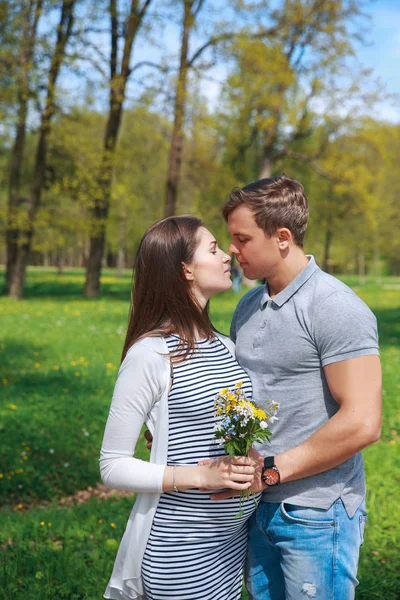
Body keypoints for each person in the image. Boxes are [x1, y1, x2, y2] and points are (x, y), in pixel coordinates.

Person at [208, 175, 382, 600]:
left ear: (282, 237)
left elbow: (363, 422)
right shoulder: (248, 305)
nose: (232, 249)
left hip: (315, 514)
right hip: (255, 509)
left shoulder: (334, 306)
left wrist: (270, 471)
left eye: (242, 238)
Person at [99, 215, 260, 600]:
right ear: (186, 269)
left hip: (232, 547)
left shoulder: (226, 346)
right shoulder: (151, 354)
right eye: (214, 248)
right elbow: (112, 464)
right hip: (181, 550)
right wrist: (200, 478)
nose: (228, 256)